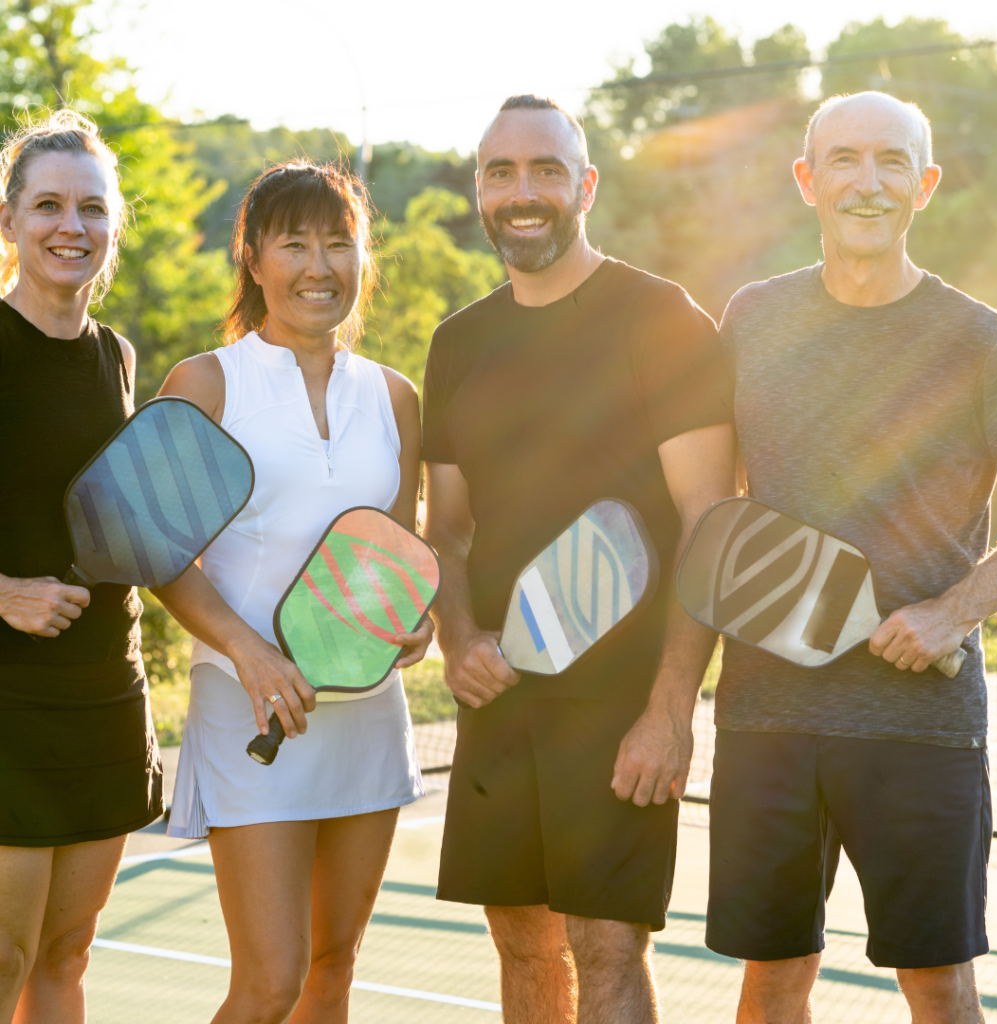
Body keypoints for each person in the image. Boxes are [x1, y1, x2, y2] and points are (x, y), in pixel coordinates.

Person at [709, 91, 997, 1024]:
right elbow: (705, 506)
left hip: (918, 724)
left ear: (924, 185)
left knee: (939, 987)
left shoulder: (981, 340)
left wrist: (955, 612)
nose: (868, 182)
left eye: (892, 162)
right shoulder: (753, 319)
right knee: (772, 981)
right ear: (808, 180)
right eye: (844, 159)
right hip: (766, 713)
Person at [422, 95, 736, 1024]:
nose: (524, 193)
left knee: (606, 946)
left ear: (586, 185)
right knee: (521, 942)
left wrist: (670, 711)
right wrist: (460, 633)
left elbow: (709, 523)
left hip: (620, 703)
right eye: (501, 173)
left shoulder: (663, 319)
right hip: (501, 698)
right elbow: (448, 529)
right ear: (480, 190)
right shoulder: (459, 342)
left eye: (547, 170)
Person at [152, 161, 433, 1024]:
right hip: (252, 718)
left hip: (366, 716)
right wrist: (250, 652)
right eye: (296, 243)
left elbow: (394, 550)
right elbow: (160, 556)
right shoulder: (204, 384)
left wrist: (409, 620)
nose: (320, 265)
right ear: (253, 257)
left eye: (340, 243)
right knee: (269, 983)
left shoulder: (394, 395)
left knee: (332, 970)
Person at [0, 110, 163, 1023]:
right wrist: (5, 594)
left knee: (65, 954)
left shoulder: (116, 357)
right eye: (49, 205)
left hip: (106, 688)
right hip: (9, 701)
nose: (72, 227)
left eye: (92, 208)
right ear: (8, 221)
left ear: (113, 224)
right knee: (6, 952)